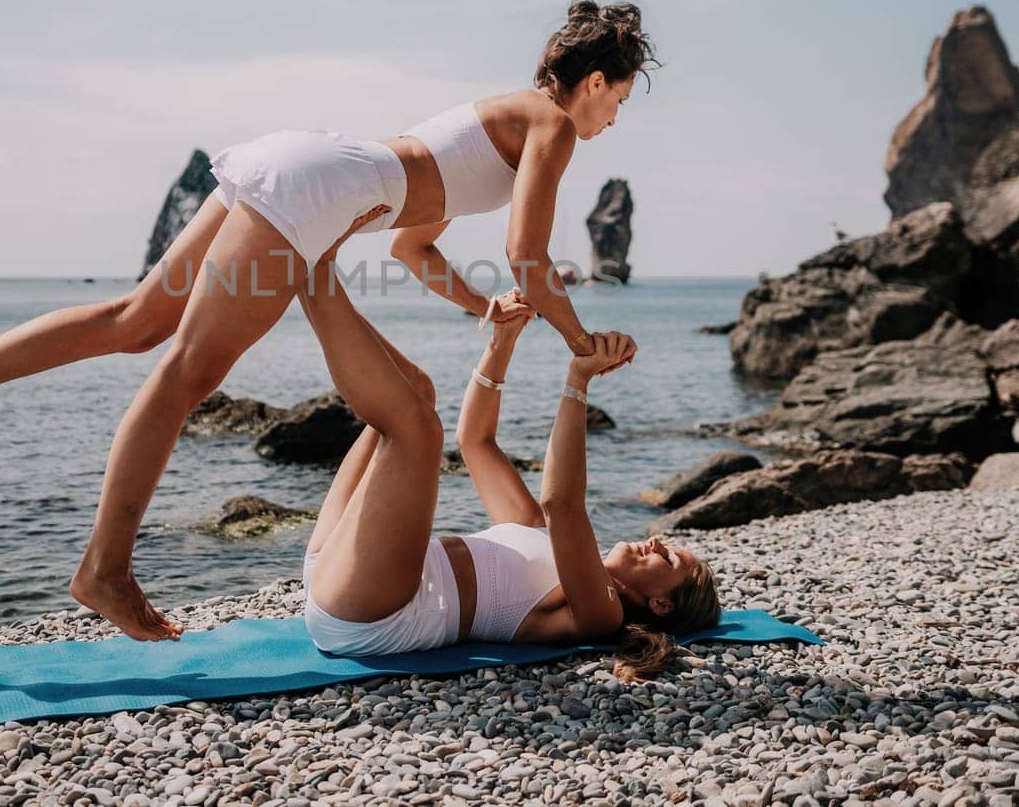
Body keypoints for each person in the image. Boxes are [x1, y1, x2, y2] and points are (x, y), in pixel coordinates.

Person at [0, 0, 659, 641]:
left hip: (305, 165)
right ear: (593, 81)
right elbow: (529, 252)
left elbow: (415, 248)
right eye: (618, 101)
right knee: (188, 369)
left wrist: (479, 305)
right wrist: (581, 341)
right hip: (317, 193)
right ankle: (105, 569)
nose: (613, 121)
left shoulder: (508, 117)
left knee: (138, 318)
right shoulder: (551, 126)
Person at [299, 277, 720, 676]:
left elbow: (563, 504)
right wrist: (503, 340)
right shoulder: (534, 529)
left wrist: (579, 379)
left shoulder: (600, 612)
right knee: (415, 389)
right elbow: (476, 441)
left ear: (660, 604)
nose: (656, 543)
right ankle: (306, 266)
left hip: (372, 613)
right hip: (340, 570)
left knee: (416, 428)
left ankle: (307, 269)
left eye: (669, 558)